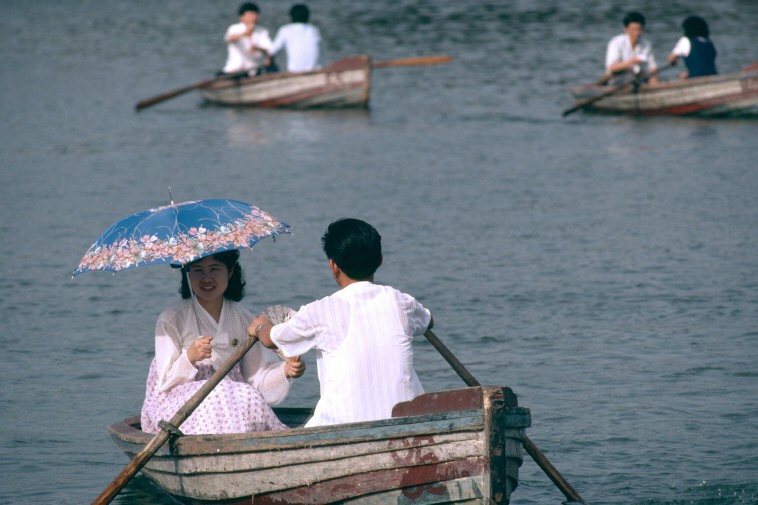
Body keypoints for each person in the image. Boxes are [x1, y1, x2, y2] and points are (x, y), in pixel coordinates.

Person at [248, 218, 432, 427]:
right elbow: (428, 321)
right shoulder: (401, 302)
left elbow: (271, 340)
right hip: (407, 422)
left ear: (333, 266)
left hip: (340, 425)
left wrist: (260, 326)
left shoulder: (319, 311)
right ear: (380, 260)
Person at [140, 250, 305, 435]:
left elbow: (256, 379)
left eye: (214, 268)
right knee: (217, 393)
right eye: (198, 270)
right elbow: (165, 382)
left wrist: (286, 371)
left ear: (231, 271)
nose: (207, 278)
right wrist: (190, 357)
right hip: (178, 404)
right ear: (187, 273)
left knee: (246, 395)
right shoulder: (170, 319)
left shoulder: (243, 318)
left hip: (232, 399)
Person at [604, 12, 659, 85]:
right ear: (626, 29)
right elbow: (612, 67)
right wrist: (632, 62)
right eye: (634, 30)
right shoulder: (616, 43)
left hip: (638, 83)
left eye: (639, 29)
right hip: (617, 84)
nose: (637, 33)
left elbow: (653, 67)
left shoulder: (646, 44)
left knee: (654, 79)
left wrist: (653, 76)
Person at [221, 3, 273, 76]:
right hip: (234, 69)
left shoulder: (262, 32)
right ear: (241, 17)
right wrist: (245, 33)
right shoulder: (235, 28)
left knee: (272, 68)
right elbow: (230, 38)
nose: (253, 18)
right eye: (250, 15)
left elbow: (270, 49)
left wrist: (258, 48)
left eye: (255, 15)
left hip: (254, 70)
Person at [266, 4, 321, 72]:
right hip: (315, 71)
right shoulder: (314, 30)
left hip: (295, 72)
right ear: (307, 17)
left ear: (290, 18)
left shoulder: (285, 30)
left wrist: (269, 61)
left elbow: (272, 51)